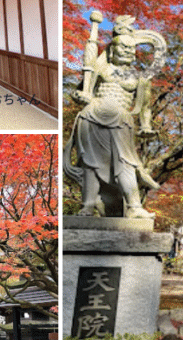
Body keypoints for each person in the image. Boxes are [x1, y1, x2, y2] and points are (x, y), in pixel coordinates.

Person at [64, 14, 167, 219]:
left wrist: (146, 126)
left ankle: (135, 206)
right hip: (92, 116)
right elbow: (84, 89)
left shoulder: (140, 77)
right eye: (123, 47)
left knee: (126, 164)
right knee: (90, 164)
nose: (127, 51)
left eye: (131, 49)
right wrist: (79, 95)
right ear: (112, 50)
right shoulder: (100, 67)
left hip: (121, 120)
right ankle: (87, 207)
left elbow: (145, 106)